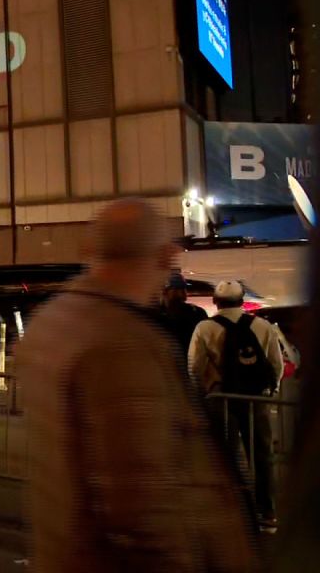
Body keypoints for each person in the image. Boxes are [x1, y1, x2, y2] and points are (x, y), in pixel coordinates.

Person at [23, 199, 257, 572]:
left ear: (89, 251)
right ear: (166, 257)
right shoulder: (121, 341)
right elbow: (142, 507)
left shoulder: (52, 321)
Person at [189, 280, 284, 528]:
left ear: (216, 301)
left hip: (221, 400)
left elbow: (194, 368)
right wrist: (270, 390)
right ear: (242, 300)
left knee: (226, 457)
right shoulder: (262, 326)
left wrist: (199, 396)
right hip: (256, 400)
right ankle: (267, 512)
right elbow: (276, 364)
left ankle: (232, 513)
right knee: (262, 456)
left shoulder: (205, 328)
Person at [155, 273, 207, 363]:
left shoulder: (196, 313)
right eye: (178, 289)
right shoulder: (197, 313)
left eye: (183, 289)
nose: (183, 292)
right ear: (165, 291)